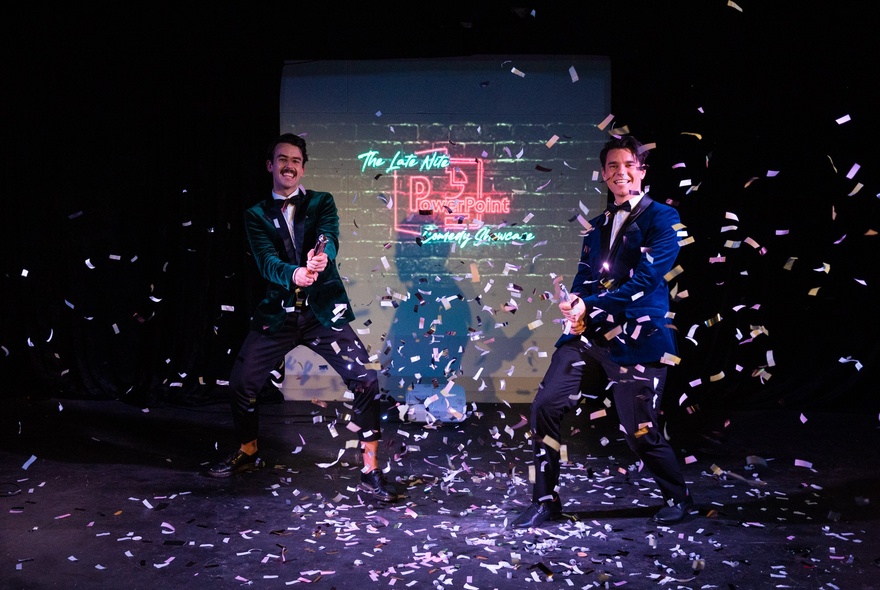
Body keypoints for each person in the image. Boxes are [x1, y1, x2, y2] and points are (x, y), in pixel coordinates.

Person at [510, 135, 693, 528]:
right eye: (612, 166)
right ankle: (544, 499)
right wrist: (574, 302)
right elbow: (585, 278)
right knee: (545, 407)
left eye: (628, 164)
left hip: (639, 340)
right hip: (589, 339)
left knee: (639, 431)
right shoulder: (596, 226)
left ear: (642, 171)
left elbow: (645, 280)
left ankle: (678, 497)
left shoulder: (664, 219)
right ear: (604, 175)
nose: (620, 172)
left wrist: (589, 305)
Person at [207, 133, 399, 503]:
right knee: (241, 385)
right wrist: (294, 274)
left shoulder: (321, 202)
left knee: (366, 379)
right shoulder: (255, 215)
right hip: (277, 317)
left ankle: (371, 470)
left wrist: (320, 257)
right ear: (270, 165)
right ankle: (248, 452)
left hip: (322, 313)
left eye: (295, 160)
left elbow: (329, 235)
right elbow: (266, 261)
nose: (289, 165)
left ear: (303, 167)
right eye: (282, 159)